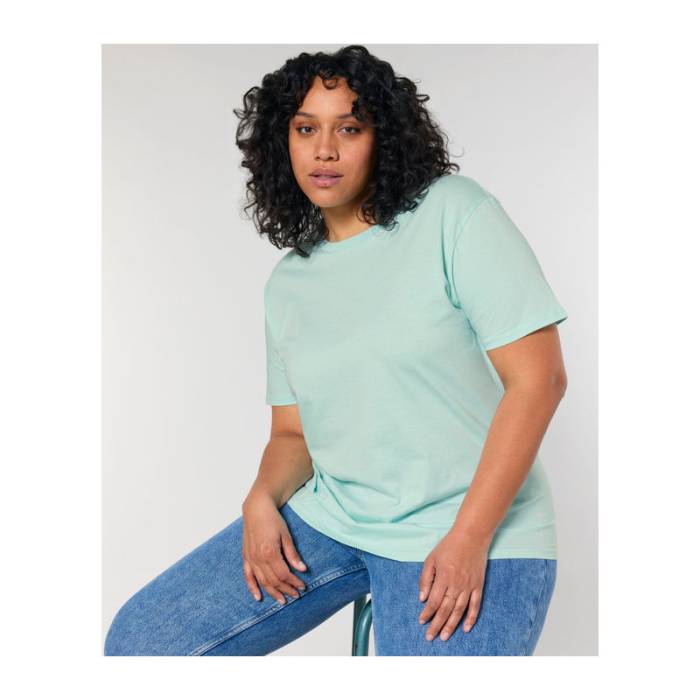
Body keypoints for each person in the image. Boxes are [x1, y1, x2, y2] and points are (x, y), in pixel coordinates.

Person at [104, 45, 567, 656]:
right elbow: (293, 434)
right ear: (283, 144)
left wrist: (470, 537)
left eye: (349, 128)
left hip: (469, 524)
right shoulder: (289, 283)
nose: (325, 150)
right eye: (306, 129)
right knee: (140, 644)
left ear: (384, 140)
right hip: (336, 519)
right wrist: (261, 497)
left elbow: (538, 380)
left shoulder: (453, 212)